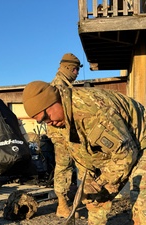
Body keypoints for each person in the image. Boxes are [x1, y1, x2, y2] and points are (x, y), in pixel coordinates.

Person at [22, 81, 146, 225]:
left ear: (54, 101)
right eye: (42, 122)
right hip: (115, 144)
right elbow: (76, 154)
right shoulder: (56, 122)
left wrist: (100, 182)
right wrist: (90, 187)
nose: (48, 122)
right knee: (93, 197)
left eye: (46, 118)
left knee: (141, 201)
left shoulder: (93, 112)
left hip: (144, 138)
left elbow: (126, 155)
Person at [48, 53, 82, 218]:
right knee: (63, 167)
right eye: (75, 69)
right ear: (68, 68)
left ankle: (67, 202)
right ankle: (62, 205)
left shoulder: (64, 84)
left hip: (67, 134)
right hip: (62, 135)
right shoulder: (58, 86)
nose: (77, 73)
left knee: (68, 167)